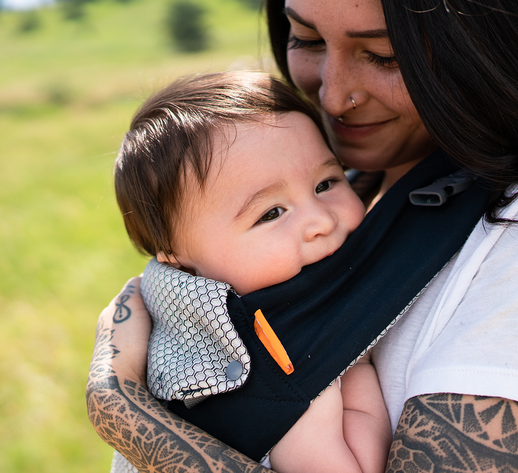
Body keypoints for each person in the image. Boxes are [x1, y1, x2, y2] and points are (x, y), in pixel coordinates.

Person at [87, 0, 518, 471]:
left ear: (489, 46)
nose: (331, 95)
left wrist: (122, 409)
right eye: (305, 39)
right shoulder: (343, 194)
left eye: (382, 54)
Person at [113, 71, 388, 472]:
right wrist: (356, 360)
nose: (321, 222)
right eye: (271, 213)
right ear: (177, 256)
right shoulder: (259, 365)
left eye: (326, 183)